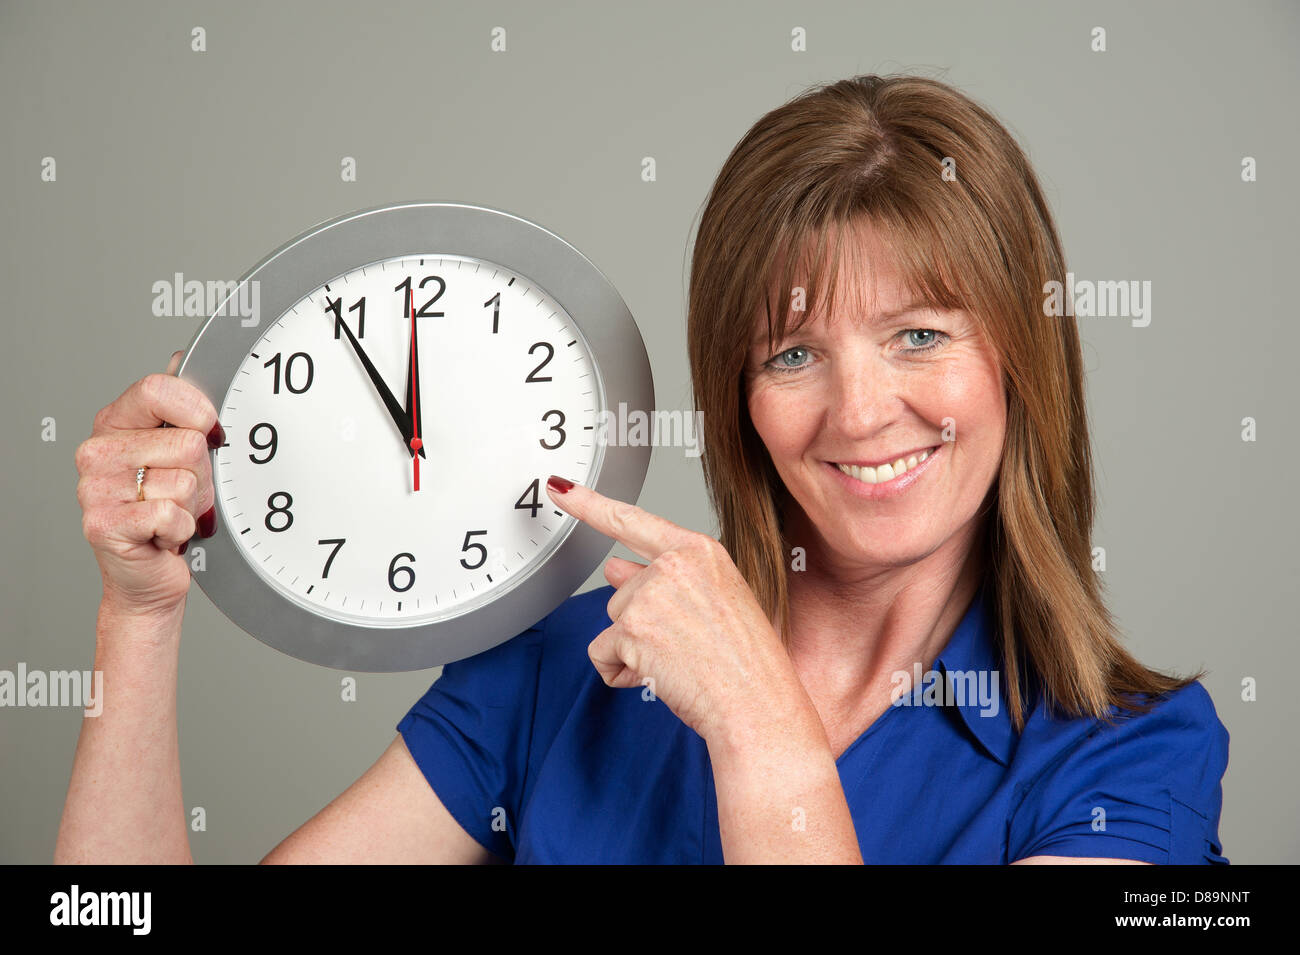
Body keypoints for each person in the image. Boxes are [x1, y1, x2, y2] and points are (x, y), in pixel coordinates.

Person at [57, 73, 1228, 864]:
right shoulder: (556, 673)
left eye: (919, 333)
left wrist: (760, 731)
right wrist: (141, 614)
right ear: (740, 398)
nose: (861, 410)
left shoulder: (1138, 753)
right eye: (793, 350)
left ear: (1023, 359)